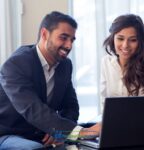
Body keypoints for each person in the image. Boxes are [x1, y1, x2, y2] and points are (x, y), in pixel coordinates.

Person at [0, 11, 101, 149]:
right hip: (10, 134)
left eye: (72, 40)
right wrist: (83, 132)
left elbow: (70, 106)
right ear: (44, 34)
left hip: (43, 134)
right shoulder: (16, 65)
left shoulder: (65, 65)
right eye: (63, 38)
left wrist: (60, 133)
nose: (69, 45)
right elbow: (33, 110)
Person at [100, 14, 144, 106]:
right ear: (113, 39)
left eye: (133, 40)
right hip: (114, 119)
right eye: (120, 39)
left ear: (140, 42)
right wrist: (105, 119)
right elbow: (104, 101)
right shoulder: (106, 62)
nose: (125, 45)